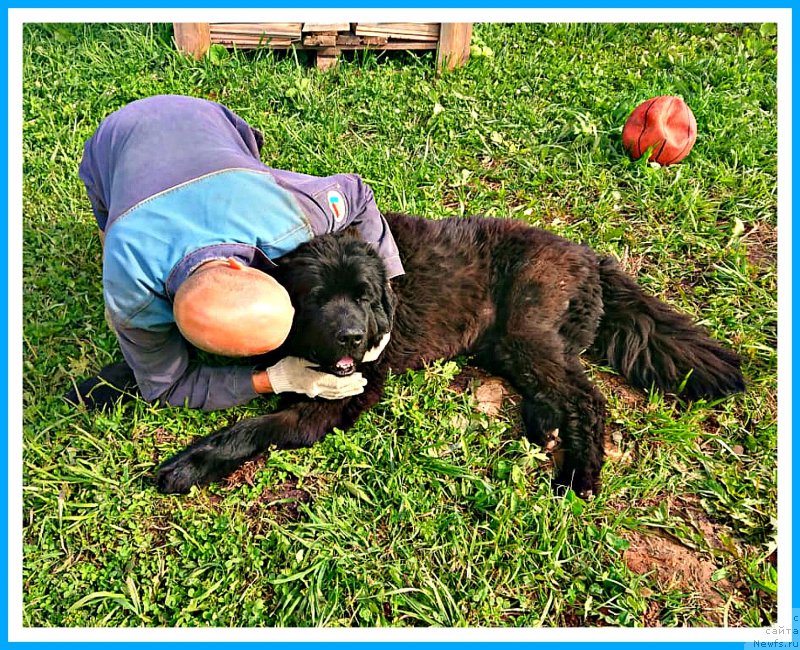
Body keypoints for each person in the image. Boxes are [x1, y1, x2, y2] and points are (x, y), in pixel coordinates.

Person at [79, 94, 404, 411]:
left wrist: (385, 290)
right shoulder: (132, 297)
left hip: (202, 116)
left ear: (239, 267)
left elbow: (358, 194)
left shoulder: (290, 216)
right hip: (113, 139)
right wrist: (274, 379)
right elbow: (167, 387)